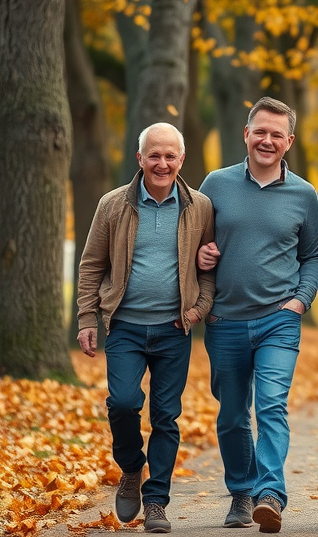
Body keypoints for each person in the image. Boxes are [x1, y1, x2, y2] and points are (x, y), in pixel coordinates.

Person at [77, 122, 215, 533]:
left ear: (181, 160)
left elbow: (209, 266)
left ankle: (156, 501)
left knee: (166, 417)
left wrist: (197, 310)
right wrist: (87, 318)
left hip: (175, 329)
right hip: (126, 328)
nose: (162, 163)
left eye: (170, 155)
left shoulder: (200, 206)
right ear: (140, 159)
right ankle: (132, 467)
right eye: (154, 155)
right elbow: (90, 266)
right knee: (121, 404)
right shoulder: (113, 205)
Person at [196, 96, 318, 533]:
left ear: (289, 141)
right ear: (246, 134)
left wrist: (301, 300)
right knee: (232, 414)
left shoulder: (304, 194)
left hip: (279, 318)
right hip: (225, 320)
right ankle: (240, 493)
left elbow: (312, 256)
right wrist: (202, 255)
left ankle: (270, 493)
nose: (267, 140)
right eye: (260, 131)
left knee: (271, 406)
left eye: (277, 134)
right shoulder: (215, 184)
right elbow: (196, 240)